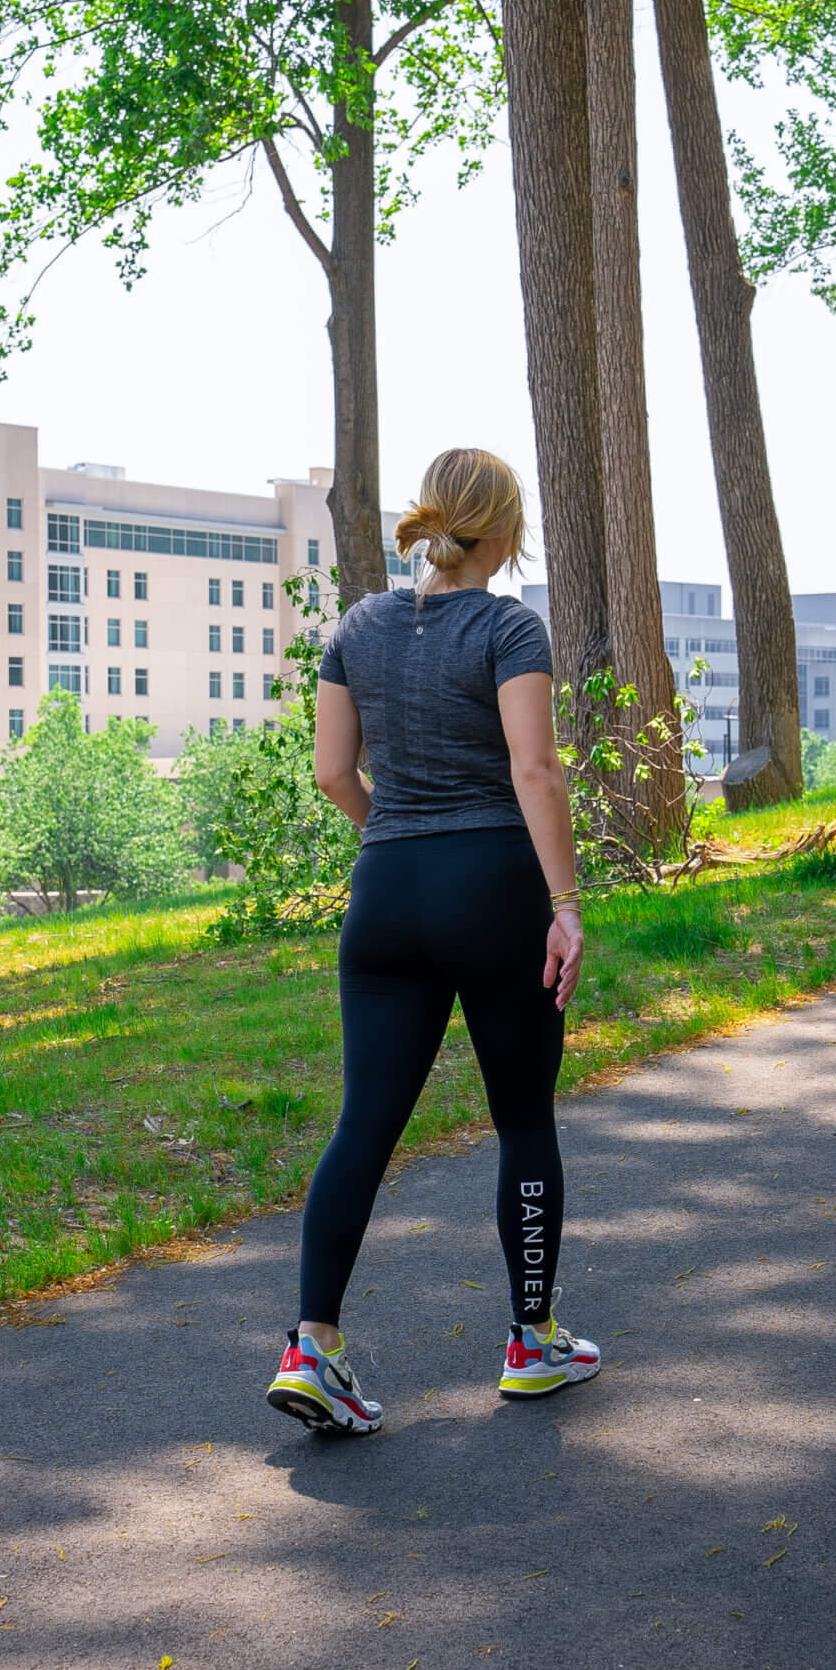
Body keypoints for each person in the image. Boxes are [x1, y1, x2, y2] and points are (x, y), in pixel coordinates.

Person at [264, 448, 601, 1436]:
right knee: (522, 1120)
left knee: (362, 1125)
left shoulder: (357, 626)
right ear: (501, 535)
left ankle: (311, 1346)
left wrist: (397, 844)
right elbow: (534, 773)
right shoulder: (506, 626)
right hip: (491, 889)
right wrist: (565, 900)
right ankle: (531, 1340)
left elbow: (333, 771)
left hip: (386, 894)